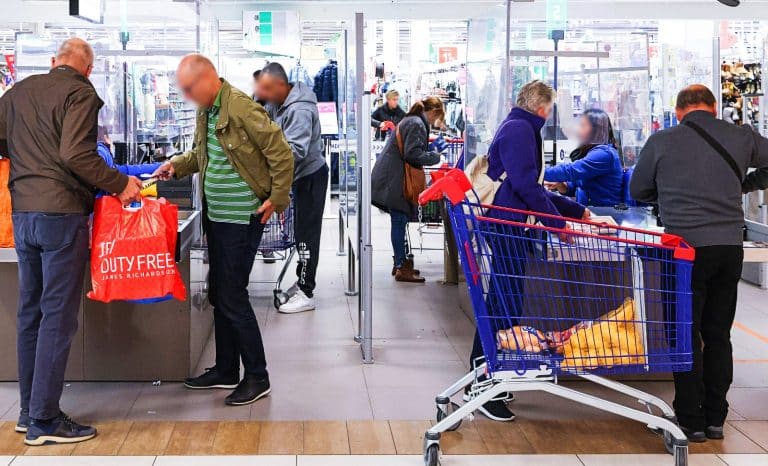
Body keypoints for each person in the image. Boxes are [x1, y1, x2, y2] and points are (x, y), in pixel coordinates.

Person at [0, 38, 142, 445]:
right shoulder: (81, 93)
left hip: (23, 213)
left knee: (31, 313)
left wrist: (28, 161)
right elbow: (76, 154)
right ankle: (45, 420)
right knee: (58, 318)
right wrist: (119, 184)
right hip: (61, 215)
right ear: (88, 69)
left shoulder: (19, 91)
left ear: (52, 62)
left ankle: (29, 412)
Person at [152, 54, 294, 406]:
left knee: (232, 295)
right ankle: (227, 369)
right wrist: (177, 165)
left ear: (207, 80)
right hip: (218, 215)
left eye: (188, 88)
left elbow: (282, 153)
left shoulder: (242, 108)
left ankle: (257, 376)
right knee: (219, 292)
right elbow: (205, 155)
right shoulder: (207, 111)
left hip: (241, 217)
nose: (186, 95)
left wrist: (277, 197)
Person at [631, 84, 768, 442]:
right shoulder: (742, 136)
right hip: (728, 247)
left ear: (679, 111)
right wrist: (746, 183)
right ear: (712, 107)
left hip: (684, 250)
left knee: (685, 332)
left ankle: (690, 419)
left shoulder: (662, 141)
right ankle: (715, 418)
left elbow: (637, 191)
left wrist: (669, 191)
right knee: (718, 334)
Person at [466, 80, 587, 423]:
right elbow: (524, 185)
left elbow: (529, 186)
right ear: (542, 108)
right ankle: (482, 380)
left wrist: (575, 212)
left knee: (504, 302)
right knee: (503, 304)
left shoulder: (517, 125)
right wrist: (559, 226)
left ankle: (489, 374)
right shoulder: (521, 129)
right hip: (507, 227)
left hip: (508, 225)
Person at [258, 62, 329, 314]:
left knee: (307, 236)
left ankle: (307, 292)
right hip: (298, 177)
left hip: (310, 175)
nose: (263, 94)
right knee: (300, 233)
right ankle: (301, 283)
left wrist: (263, 159)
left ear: (281, 84)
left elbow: (295, 150)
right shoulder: (277, 103)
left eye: (267, 88)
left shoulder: (299, 110)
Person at [371, 96, 446, 283]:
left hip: (391, 175)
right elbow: (412, 154)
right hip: (394, 178)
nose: (437, 122)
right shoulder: (417, 124)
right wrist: (435, 156)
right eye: (438, 117)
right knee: (399, 219)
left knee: (400, 220)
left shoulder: (412, 120)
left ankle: (400, 262)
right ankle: (401, 267)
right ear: (433, 112)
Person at [543, 108, 624, 207]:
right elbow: (574, 187)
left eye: (583, 126)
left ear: (596, 129)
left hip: (603, 213)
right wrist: (561, 185)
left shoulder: (605, 154)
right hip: (590, 210)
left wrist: (539, 172)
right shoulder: (591, 152)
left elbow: (570, 170)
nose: (578, 130)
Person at [96, 125, 161, 180]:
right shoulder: (101, 150)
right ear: (105, 137)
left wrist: (160, 166)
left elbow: (128, 170)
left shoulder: (101, 151)